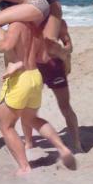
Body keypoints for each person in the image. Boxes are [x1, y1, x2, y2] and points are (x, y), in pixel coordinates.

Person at [0, 8, 76, 175]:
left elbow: (5, 46)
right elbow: (43, 57)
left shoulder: (16, 25)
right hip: (35, 76)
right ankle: (62, 148)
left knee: (6, 126)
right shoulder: (36, 29)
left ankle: (24, 167)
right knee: (32, 119)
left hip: (20, 80)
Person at [23, 17, 82, 154]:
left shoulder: (58, 23)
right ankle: (28, 142)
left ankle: (76, 143)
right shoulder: (27, 21)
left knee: (65, 106)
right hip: (33, 67)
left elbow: (69, 46)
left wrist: (61, 51)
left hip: (54, 67)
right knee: (28, 107)